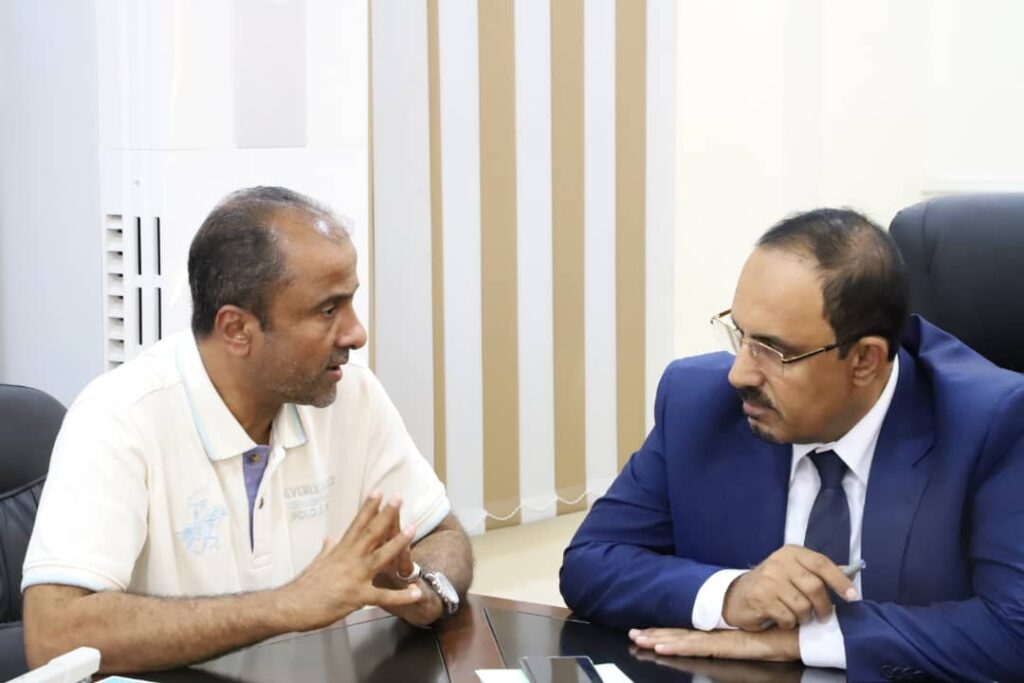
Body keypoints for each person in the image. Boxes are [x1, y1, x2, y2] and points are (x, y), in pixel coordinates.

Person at [560, 208, 1024, 682]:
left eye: (773, 350)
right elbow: (591, 562)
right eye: (740, 334)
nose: (739, 373)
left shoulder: (994, 423)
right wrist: (733, 594)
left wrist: (803, 642)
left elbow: (1015, 631)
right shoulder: (698, 403)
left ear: (865, 360)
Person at [22, 187, 473, 673]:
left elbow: (443, 534)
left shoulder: (350, 393)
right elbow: (54, 635)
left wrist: (424, 588)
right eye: (328, 310)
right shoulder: (119, 417)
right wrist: (286, 605)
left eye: (351, 302)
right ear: (237, 329)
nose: (356, 333)